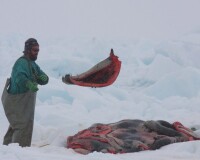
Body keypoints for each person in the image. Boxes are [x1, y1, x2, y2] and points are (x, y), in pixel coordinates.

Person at [1, 38, 49, 147]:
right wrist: (29, 84)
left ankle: (6, 149)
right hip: (16, 101)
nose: (37, 52)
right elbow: (19, 78)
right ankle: (20, 152)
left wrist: (44, 78)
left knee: (16, 125)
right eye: (34, 50)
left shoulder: (32, 64)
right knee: (22, 126)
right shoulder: (21, 63)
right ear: (27, 50)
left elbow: (42, 76)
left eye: (38, 50)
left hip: (24, 103)